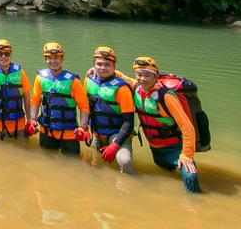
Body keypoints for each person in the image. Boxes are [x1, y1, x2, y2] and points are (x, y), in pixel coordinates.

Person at [132, 56, 202, 193]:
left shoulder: (166, 97)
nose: (142, 79)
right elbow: (118, 75)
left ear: (156, 77)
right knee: (168, 176)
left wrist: (186, 155)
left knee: (190, 176)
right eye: (139, 75)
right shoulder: (135, 88)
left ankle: (197, 205)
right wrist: (94, 70)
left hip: (174, 148)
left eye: (147, 75)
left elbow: (187, 127)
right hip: (156, 150)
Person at [28, 42, 90, 155]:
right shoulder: (40, 78)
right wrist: (32, 119)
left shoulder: (73, 81)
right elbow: (35, 101)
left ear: (62, 59)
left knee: (72, 164)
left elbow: (84, 106)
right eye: (49, 58)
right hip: (46, 131)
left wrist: (82, 127)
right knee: (46, 163)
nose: (53, 61)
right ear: (45, 60)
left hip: (69, 133)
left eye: (56, 58)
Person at [84, 46, 137, 175]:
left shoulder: (122, 88)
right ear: (94, 65)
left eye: (107, 65)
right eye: (99, 64)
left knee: (125, 161)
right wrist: (84, 127)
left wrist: (115, 145)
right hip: (97, 133)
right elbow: (85, 107)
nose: (103, 68)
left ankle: (132, 186)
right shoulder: (89, 81)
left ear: (114, 65)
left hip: (117, 134)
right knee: (96, 166)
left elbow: (129, 122)